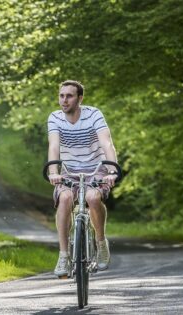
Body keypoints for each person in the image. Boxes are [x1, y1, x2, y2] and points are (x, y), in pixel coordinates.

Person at [47, 80, 118, 277]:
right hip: (69, 170)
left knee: (93, 198)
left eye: (69, 96)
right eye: (61, 96)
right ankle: (63, 254)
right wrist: (54, 171)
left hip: (97, 167)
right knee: (65, 198)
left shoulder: (93, 114)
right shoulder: (55, 118)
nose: (64, 100)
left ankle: (101, 242)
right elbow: (53, 146)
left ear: (80, 98)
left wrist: (111, 170)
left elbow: (106, 143)